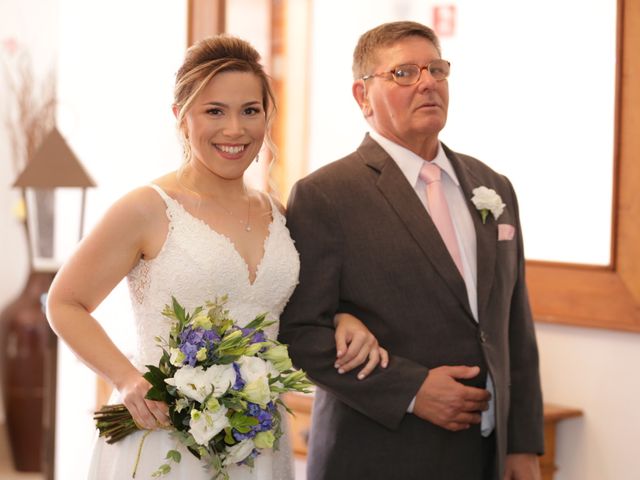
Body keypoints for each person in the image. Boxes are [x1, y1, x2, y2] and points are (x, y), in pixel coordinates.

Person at [46, 34, 387, 480]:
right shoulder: (146, 208)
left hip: (258, 439)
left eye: (250, 110)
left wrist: (343, 319)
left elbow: (297, 310)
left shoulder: (278, 214)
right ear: (181, 118)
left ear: (267, 116)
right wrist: (128, 379)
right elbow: (64, 303)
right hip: (164, 436)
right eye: (214, 111)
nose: (235, 130)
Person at [279, 20, 544, 480]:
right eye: (404, 73)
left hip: (486, 456)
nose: (427, 83)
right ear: (362, 96)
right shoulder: (326, 194)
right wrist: (411, 390)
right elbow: (300, 332)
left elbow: (513, 324)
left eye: (437, 70)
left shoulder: (493, 186)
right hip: (378, 454)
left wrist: (522, 445)